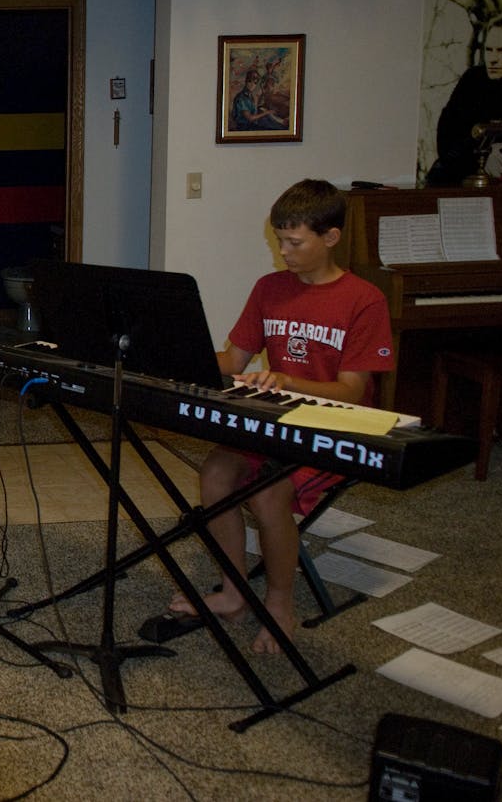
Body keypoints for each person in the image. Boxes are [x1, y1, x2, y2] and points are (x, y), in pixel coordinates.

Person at [168, 179, 393, 654]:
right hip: (273, 419)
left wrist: (289, 382)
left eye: (295, 242)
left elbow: (352, 392)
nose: (283, 251)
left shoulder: (363, 298)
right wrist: (173, 355)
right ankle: (233, 592)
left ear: (330, 238)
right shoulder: (270, 288)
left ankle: (279, 603)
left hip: (332, 427)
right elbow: (233, 362)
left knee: (270, 491)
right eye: (279, 240)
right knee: (214, 474)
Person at [429, 11, 502, 186]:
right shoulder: (473, 80)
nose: (493, 59)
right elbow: (447, 135)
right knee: (438, 173)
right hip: (464, 167)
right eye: (489, 50)